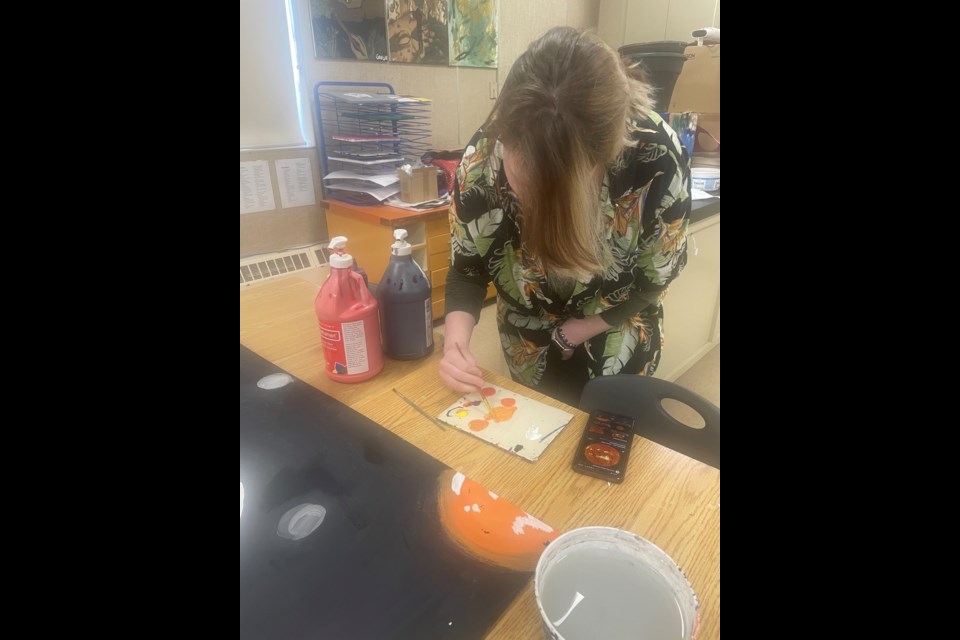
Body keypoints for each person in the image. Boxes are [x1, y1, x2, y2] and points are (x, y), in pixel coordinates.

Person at [439, 26, 692, 407]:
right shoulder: (479, 164)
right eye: (522, 185)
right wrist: (454, 344)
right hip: (527, 337)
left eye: (552, 196)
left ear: (606, 158)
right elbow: (467, 268)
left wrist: (582, 328)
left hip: (617, 328)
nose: (533, 207)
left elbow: (653, 279)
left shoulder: (654, 159)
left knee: (610, 440)